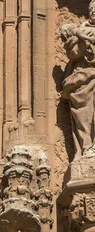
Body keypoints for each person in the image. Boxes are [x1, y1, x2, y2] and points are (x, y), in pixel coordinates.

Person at [62, 0, 95, 157]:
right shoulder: (81, 31)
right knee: (83, 109)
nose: (94, 11)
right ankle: (87, 146)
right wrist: (83, 41)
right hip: (84, 77)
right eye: (92, 9)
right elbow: (73, 54)